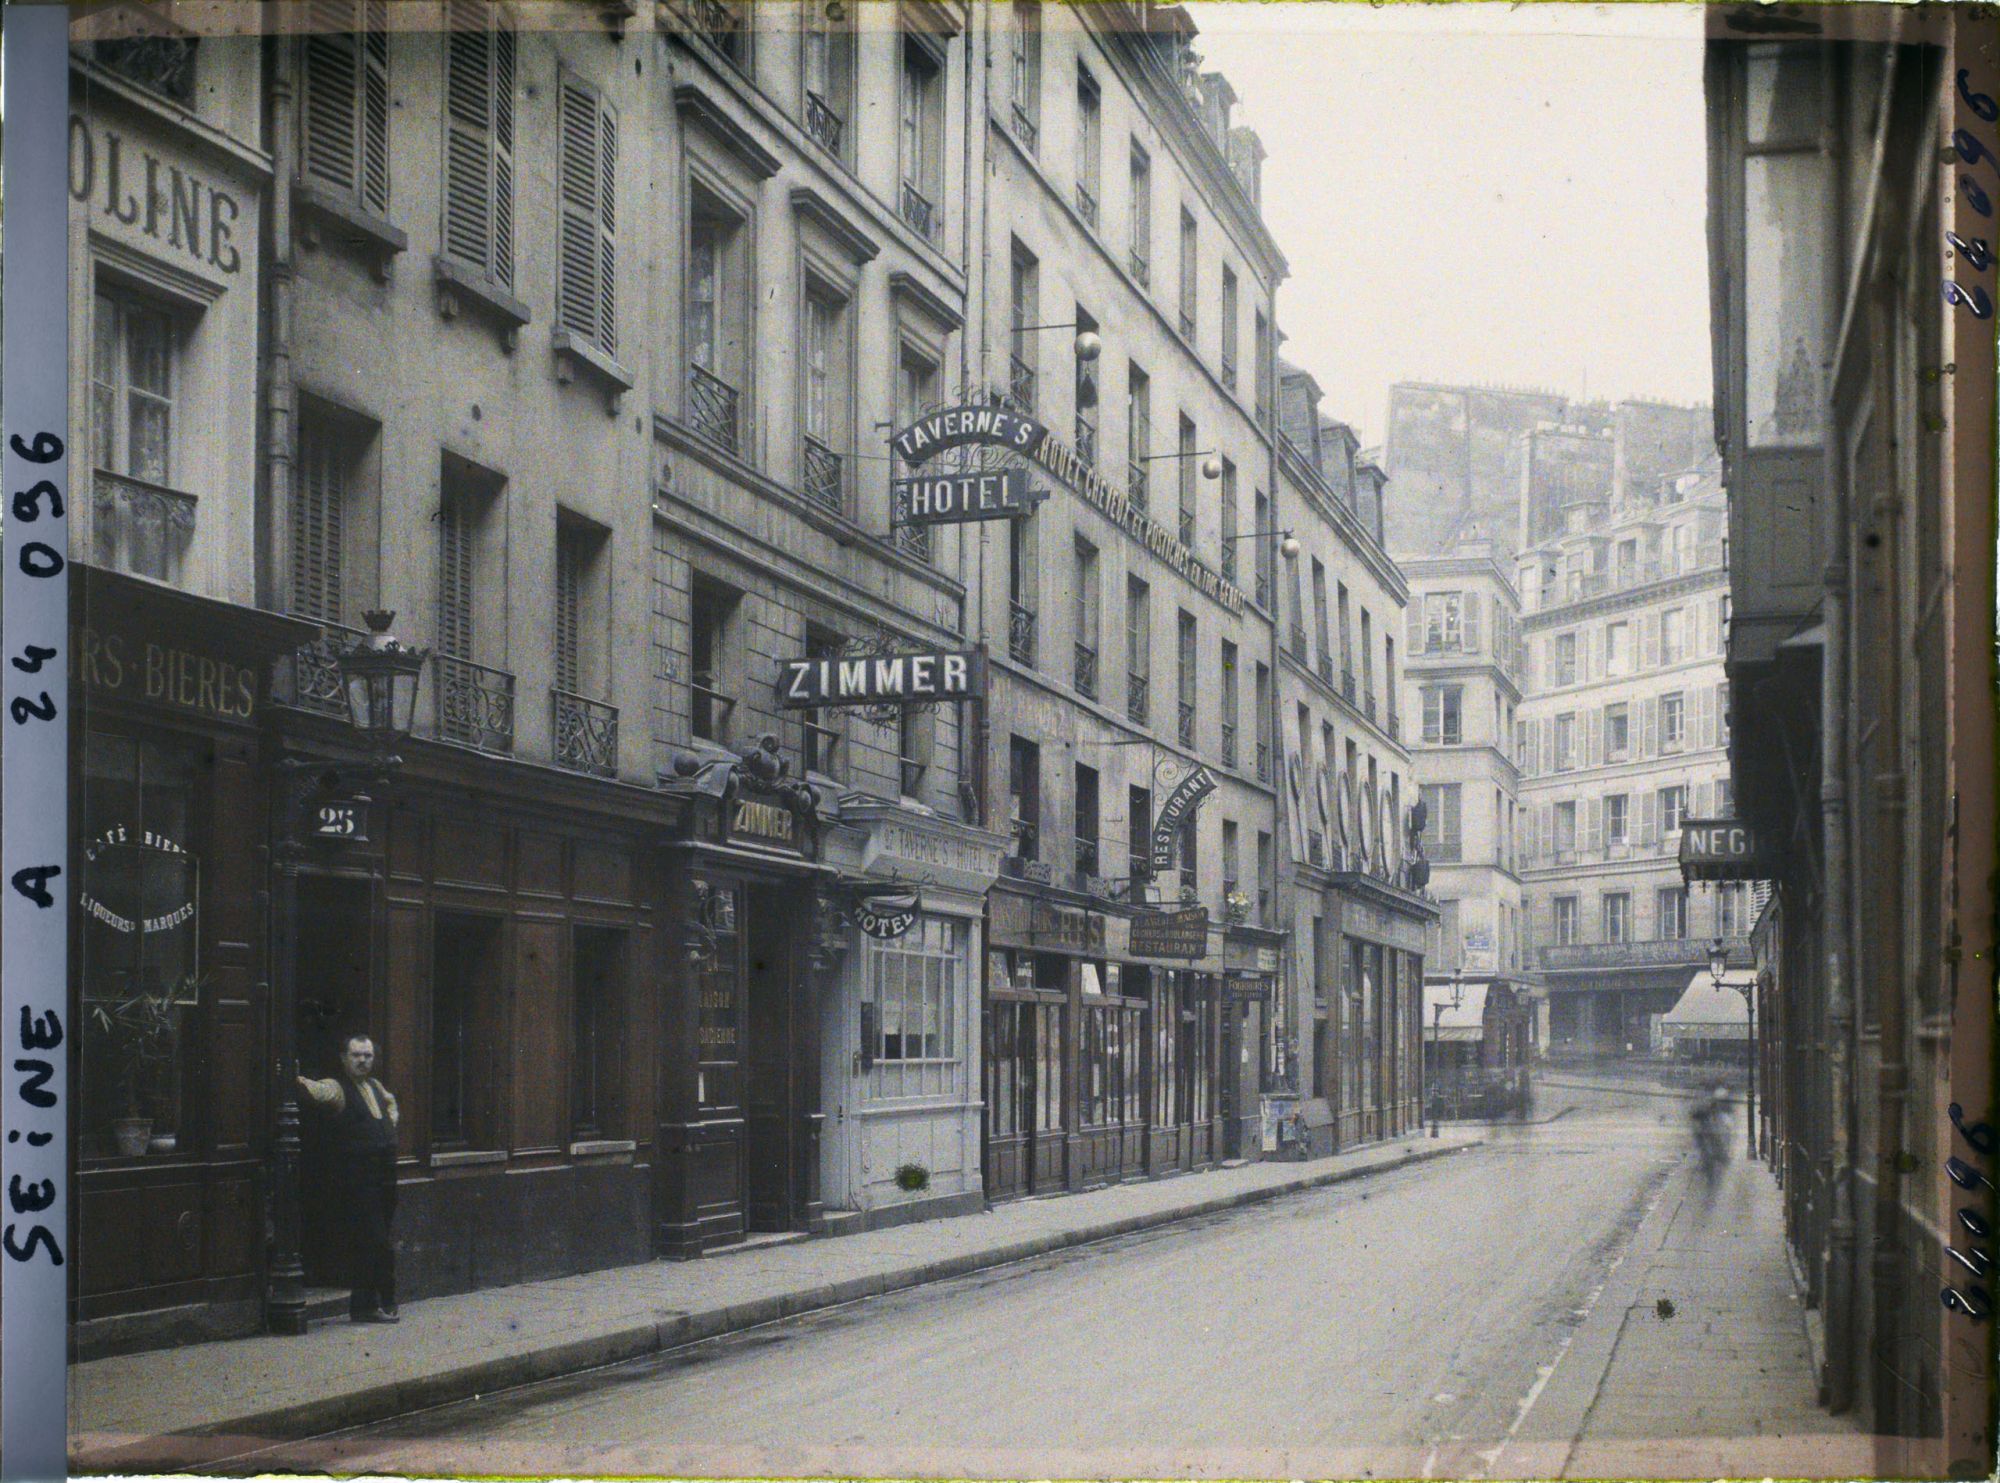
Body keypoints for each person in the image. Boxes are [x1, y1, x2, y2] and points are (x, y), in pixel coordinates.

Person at [298, 1033, 401, 1324]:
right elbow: (314, 1091)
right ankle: (366, 1306)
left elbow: (391, 1109)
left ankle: (379, 1301)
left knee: (380, 1241)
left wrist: (389, 1130)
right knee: (372, 1242)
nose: (362, 1061)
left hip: (384, 1181)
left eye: (367, 1055)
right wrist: (289, 1076)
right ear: (343, 1058)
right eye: (356, 1055)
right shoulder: (337, 1088)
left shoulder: (376, 1087)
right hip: (357, 1183)